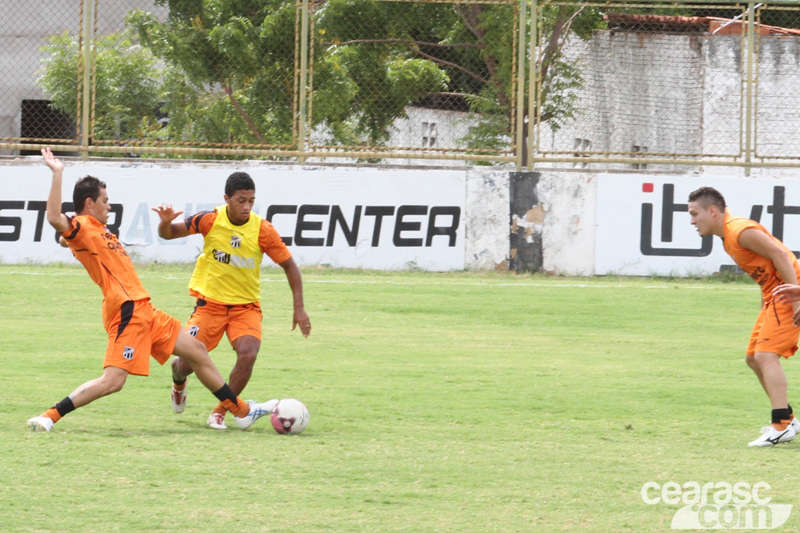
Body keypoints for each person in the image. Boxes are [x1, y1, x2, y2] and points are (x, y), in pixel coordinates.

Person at [27, 148, 275, 432]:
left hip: (144, 308)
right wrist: (57, 173)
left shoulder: (96, 228)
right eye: (105, 201)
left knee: (196, 351)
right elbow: (55, 219)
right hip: (127, 312)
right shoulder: (82, 225)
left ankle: (240, 411)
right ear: (89, 203)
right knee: (113, 382)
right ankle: (49, 416)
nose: (109, 206)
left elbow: (66, 239)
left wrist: (68, 241)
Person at [153, 171, 311, 430]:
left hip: (245, 308)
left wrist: (299, 308)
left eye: (251, 200)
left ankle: (220, 411)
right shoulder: (209, 220)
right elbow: (168, 234)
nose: (247, 206)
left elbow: (291, 267)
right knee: (184, 364)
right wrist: (165, 222)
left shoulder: (263, 229)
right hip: (209, 306)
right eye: (241, 200)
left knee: (248, 353)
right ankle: (178, 382)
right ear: (226, 198)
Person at [688, 186, 800, 446]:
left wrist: (796, 297)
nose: (692, 221)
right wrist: (765, 304)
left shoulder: (740, 230)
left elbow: (781, 255)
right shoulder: (728, 236)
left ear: (712, 211)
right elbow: (766, 271)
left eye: (695, 214)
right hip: (775, 296)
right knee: (753, 358)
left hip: (788, 292)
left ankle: (781, 424)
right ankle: (789, 418)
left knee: (765, 356)